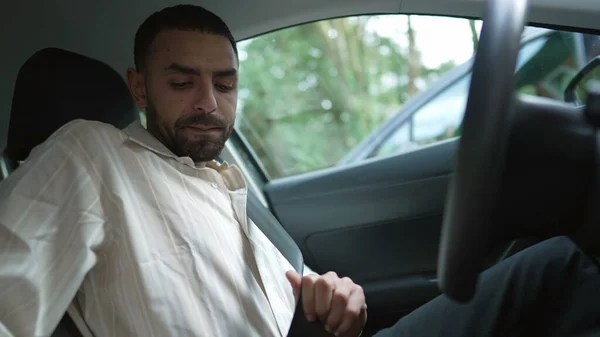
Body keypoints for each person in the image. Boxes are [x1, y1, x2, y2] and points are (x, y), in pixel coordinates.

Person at [0, 4, 599, 337]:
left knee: (566, 261)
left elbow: (308, 298)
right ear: (139, 88)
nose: (208, 101)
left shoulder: (223, 180)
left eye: (225, 82)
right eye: (182, 82)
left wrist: (343, 298)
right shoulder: (91, 153)